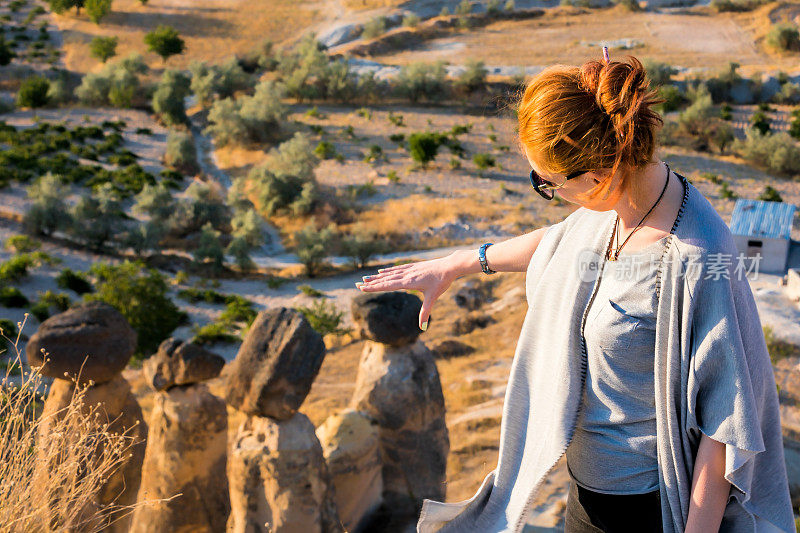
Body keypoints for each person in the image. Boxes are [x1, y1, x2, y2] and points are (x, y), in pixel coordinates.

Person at [355, 51, 795, 533]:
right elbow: (562, 240)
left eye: (547, 184)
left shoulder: (696, 253)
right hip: (584, 496)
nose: (546, 191)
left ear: (598, 176)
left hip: (645, 510)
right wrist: (459, 264)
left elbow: (723, 427)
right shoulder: (612, 211)